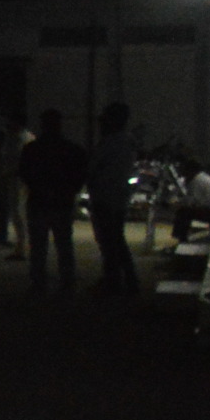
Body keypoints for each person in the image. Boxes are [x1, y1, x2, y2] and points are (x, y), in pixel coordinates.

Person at [20, 108, 88, 295]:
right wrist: (70, 191)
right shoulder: (72, 149)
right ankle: (67, 281)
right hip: (62, 201)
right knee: (63, 243)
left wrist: (38, 187)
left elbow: (24, 172)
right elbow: (80, 175)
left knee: (38, 245)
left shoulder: (32, 149)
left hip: (39, 200)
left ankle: (39, 282)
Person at [85, 101, 140, 297]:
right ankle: (127, 280)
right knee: (116, 240)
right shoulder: (127, 140)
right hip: (118, 198)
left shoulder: (111, 142)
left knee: (109, 242)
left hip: (106, 198)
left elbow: (93, 167)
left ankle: (114, 282)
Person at [0, 107, 31, 253]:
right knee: (16, 211)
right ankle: (21, 242)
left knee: (18, 211)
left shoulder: (24, 138)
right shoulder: (13, 137)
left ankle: (22, 243)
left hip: (19, 177)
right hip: (11, 177)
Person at [170, 157, 210, 246]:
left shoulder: (197, 181)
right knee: (185, 211)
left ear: (191, 170)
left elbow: (192, 202)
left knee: (183, 212)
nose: (183, 173)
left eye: (184, 170)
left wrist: (177, 204)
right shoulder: (202, 178)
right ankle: (180, 238)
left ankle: (181, 239)